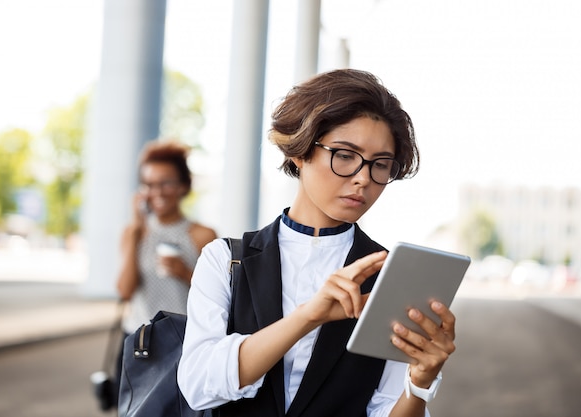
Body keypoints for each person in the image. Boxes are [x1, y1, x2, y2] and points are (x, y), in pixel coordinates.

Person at [178, 69, 457, 417]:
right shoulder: (227, 260)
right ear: (300, 150)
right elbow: (197, 384)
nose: (363, 178)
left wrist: (420, 384)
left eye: (380, 164)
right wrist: (309, 316)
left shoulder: (391, 277)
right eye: (344, 155)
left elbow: (387, 408)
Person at [114, 139, 217, 403]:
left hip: (182, 343)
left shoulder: (202, 235)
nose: (157, 191)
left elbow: (218, 296)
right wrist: (137, 232)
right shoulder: (133, 233)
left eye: (166, 183)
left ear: (183, 186)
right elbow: (125, 290)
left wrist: (184, 272)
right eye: (149, 184)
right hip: (138, 342)